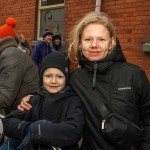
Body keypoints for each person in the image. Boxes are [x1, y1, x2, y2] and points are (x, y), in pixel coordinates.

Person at [18, 11, 150, 150]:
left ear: (111, 42)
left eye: (101, 39)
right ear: (80, 43)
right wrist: (32, 97)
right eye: (88, 39)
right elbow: (54, 91)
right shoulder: (75, 79)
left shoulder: (134, 75)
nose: (94, 45)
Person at [2, 52, 84, 150]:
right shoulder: (34, 100)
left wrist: (42, 130)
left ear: (66, 78)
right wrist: (29, 128)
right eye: (48, 76)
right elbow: (7, 122)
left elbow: (74, 130)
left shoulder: (73, 101)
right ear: (41, 77)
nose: (53, 81)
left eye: (59, 76)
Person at [0, 17, 40, 116]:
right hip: (17, 110)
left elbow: (5, 97)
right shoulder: (7, 53)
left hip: (23, 113)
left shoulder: (11, 56)